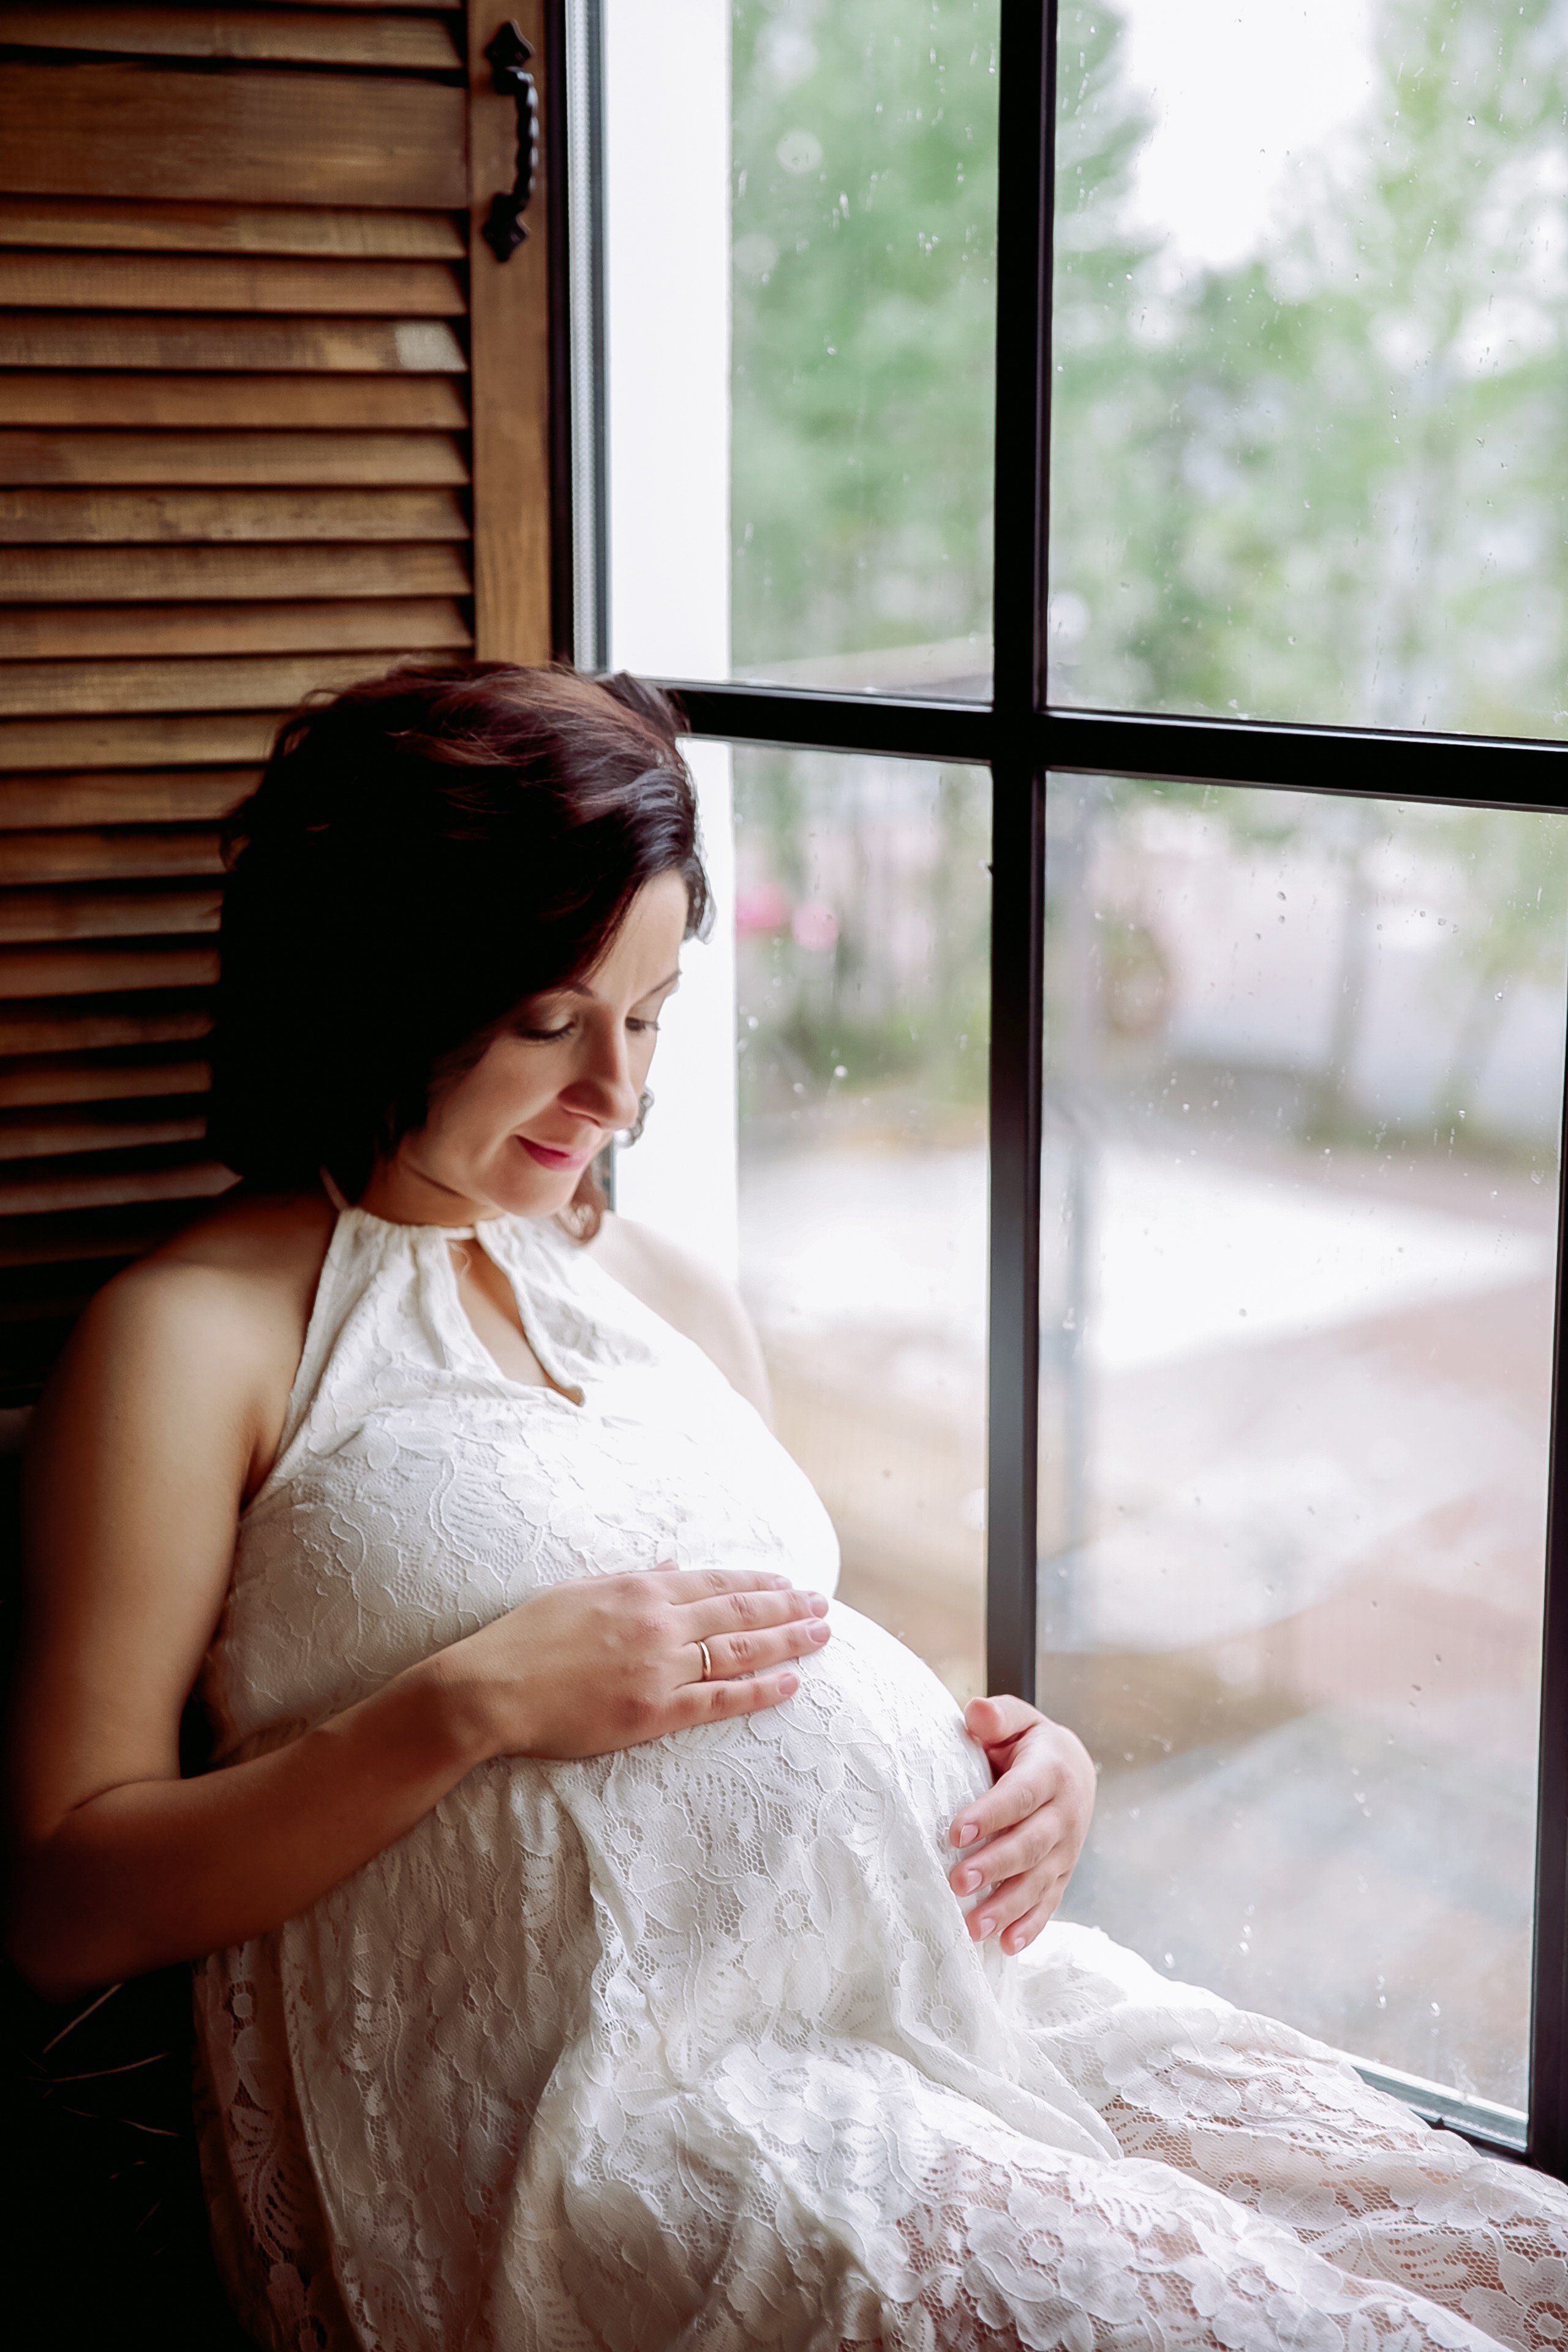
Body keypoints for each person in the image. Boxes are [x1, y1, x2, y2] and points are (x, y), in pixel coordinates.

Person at [9, 665, 1565, 2352]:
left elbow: (783, 1650)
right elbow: (61, 1898)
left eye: (652, 1014)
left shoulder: (661, 1285)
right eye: (549, 1023)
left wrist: (1011, 1763)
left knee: (1523, 2258)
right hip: (629, 2108)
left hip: (958, 1992)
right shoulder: (198, 1338)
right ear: (384, 989)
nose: (618, 1093)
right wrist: (464, 1709)